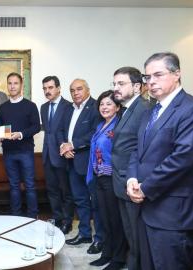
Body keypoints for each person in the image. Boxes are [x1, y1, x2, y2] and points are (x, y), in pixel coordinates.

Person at [126, 52, 193, 270]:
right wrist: (132, 178)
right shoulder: (150, 112)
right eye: (147, 77)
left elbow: (182, 160)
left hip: (174, 213)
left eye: (158, 75)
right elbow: (137, 150)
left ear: (177, 74)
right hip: (146, 208)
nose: (151, 81)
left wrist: (146, 188)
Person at [111, 66, 151, 270]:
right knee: (130, 234)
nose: (115, 88)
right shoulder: (128, 109)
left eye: (121, 83)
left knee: (137, 236)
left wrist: (134, 179)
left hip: (132, 182)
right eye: (114, 84)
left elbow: (143, 149)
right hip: (121, 181)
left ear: (136, 87)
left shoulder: (144, 108)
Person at [58, 78, 103, 254]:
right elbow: (62, 130)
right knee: (80, 200)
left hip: (89, 163)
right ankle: (84, 233)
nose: (75, 93)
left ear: (87, 89)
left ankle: (100, 238)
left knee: (95, 203)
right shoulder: (69, 108)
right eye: (72, 90)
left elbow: (95, 132)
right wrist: (64, 146)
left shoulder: (95, 107)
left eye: (79, 89)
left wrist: (73, 145)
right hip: (71, 161)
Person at [86, 90, 127, 270]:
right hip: (99, 179)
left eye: (109, 104)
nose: (104, 107)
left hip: (113, 179)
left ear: (118, 107)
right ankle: (107, 253)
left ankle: (119, 258)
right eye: (102, 104)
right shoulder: (100, 125)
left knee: (116, 220)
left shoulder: (119, 127)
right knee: (104, 219)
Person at [0, 72, 41, 218]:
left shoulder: (31, 106)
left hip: (25, 151)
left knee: (30, 186)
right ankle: (16, 217)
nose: (12, 86)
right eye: (10, 83)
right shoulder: (3, 107)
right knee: (14, 186)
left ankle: (33, 217)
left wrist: (20, 134)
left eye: (15, 83)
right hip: (8, 152)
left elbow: (36, 127)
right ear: (7, 85)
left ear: (21, 85)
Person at [40, 75, 73, 234]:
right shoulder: (44, 107)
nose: (47, 91)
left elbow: (67, 132)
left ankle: (68, 221)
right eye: (45, 88)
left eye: (50, 87)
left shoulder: (68, 107)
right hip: (47, 155)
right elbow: (48, 132)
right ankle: (57, 218)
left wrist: (65, 148)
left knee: (65, 191)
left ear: (58, 88)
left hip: (61, 155)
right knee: (52, 190)